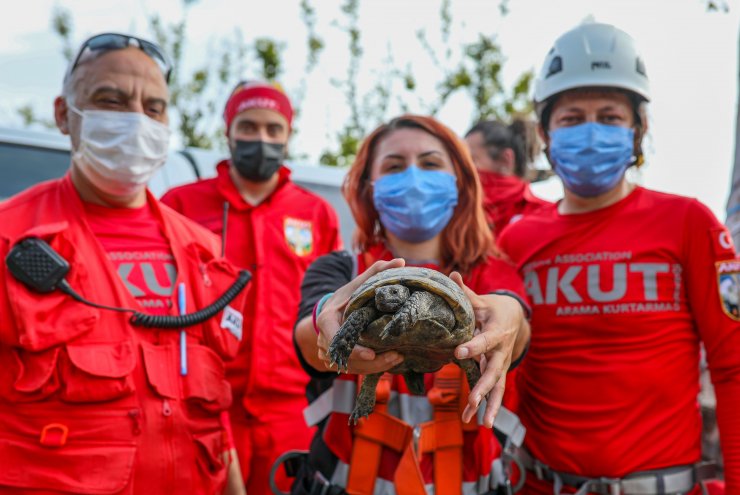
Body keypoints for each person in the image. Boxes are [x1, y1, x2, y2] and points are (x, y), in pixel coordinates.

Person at [0, 33, 249, 494]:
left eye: (153, 107)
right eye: (109, 100)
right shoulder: (10, 237)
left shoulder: (202, 250)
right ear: (63, 114)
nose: (135, 119)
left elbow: (214, 412)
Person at [497, 22, 740, 494]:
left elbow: (733, 366)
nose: (591, 131)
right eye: (571, 118)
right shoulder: (517, 239)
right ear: (545, 133)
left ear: (638, 129)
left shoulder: (689, 223)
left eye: (609, 117)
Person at [290, 114, 531, 494]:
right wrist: (326, 322)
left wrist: (512, 318)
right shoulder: (342, 268)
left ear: (459, 183)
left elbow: (509, 312)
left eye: (431, 163)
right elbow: (310, 332)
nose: (414, 177)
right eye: (394, 166)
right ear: (370, 187)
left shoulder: (489, 273)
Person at [161, 81, 342, 495]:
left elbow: (333, 307)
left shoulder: (316, 213)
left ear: (287, 135)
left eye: (273, 129)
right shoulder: (181, 205)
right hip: (204, 409)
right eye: (248, 126)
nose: (261, 139)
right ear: (228, 131)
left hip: (293, 409)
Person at [465, 118, 552, 235]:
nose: (462, 170)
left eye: (472, 161)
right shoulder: (457, 217)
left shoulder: (545, 218)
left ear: (506, 159)